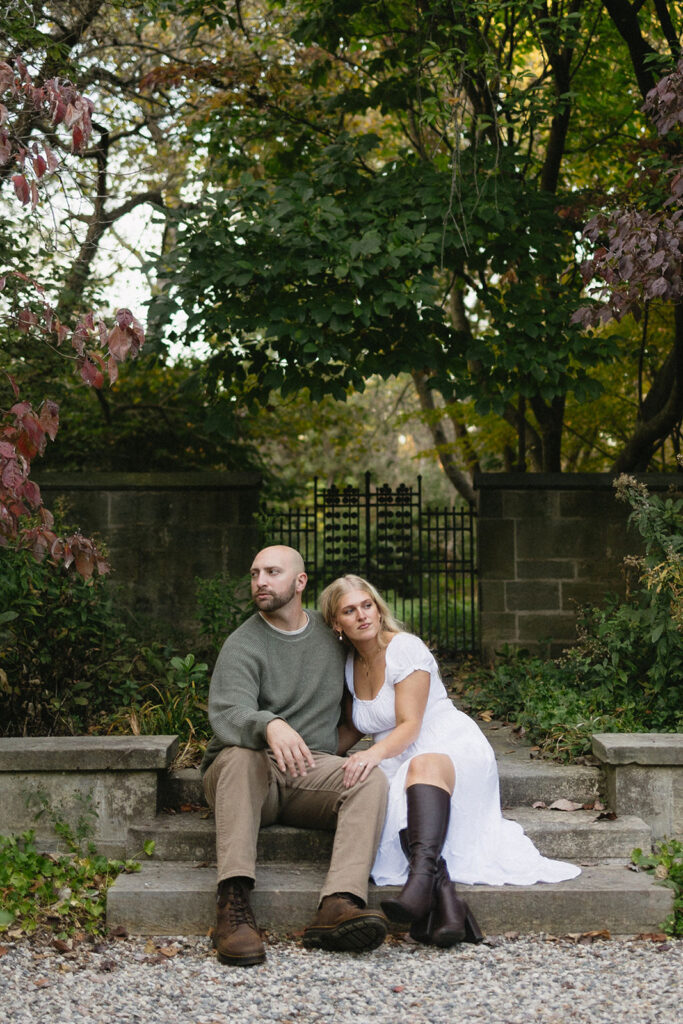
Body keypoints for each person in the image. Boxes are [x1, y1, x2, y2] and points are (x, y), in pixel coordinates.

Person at [320, 574, 582, 948]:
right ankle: (448, 907)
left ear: (379, 610)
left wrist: (372, 754)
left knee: (419, 767)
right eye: (350, 610)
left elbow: (410, 725)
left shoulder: (405, 648)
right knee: (382, 793)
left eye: (368, 605)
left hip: (445, 743)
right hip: (396, 755)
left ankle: (421, 885)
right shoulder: (350, 665)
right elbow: (351, 729)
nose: (363, 615)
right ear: (336, 623)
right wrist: (313, 757)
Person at [200, 547, 389, 967]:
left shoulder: (332, 639)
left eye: (272, 572)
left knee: (368, 777)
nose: (260, 581)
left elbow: (369, 687)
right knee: (241, 757)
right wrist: (270, 725)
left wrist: (350, 743)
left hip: (307, 774)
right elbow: (227, 713)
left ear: (300, 582)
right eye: (254, 574)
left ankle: (338, 904)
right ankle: (233, 907)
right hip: (248, 778)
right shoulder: (243, 643)